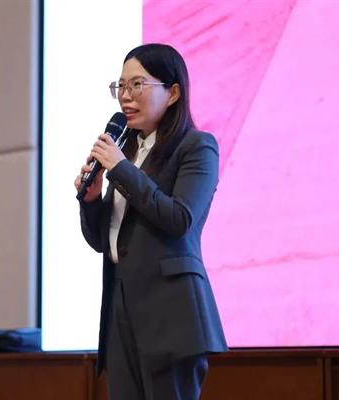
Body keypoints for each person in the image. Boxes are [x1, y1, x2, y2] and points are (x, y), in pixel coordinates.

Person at [74, 43, 228, 400]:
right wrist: (92, 200)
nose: (125, 96)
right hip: (120, 307)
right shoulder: (127, 153)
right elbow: (105, 241)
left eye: (137, 85)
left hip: (170, 313)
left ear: (172, 93)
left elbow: (179, 219)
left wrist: (121, 170)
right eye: (121, 86)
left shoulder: (197, 147)